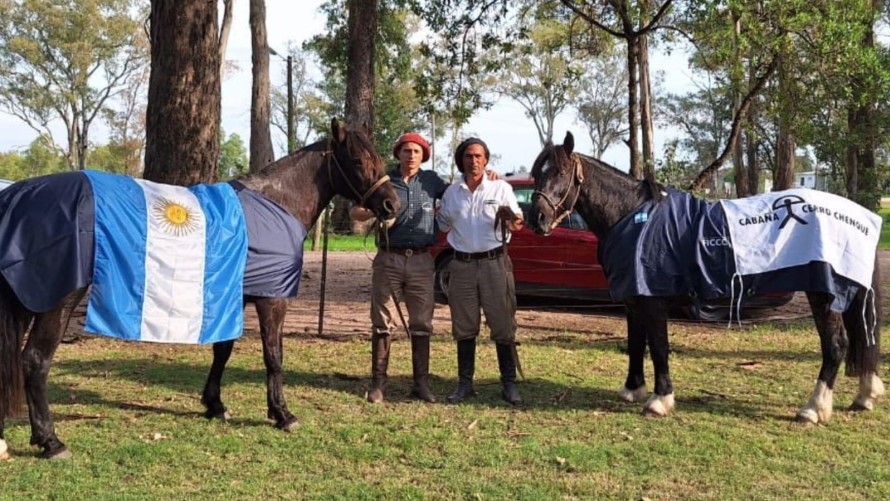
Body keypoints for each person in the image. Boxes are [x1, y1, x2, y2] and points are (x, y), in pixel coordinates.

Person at [349, 132, 448, 404]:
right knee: (382, 322)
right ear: (398, 154)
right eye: (406, 150)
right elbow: (354, 211)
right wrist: (372, 213)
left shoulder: (433, 182)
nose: (411, 155)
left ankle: (421, 384)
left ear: (423, 155)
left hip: (421, 260)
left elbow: (461, 194)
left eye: (416, 151)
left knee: (422, 323)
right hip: (388, 258)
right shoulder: (384, 180)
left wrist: (491, 178)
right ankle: (378, 384)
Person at [436, 138, 524, 405]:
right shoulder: (452, 193)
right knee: (464, 326)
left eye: (478, 156)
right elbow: (442, 226)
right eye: (468, 156)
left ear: (486, 160)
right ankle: (465, 384)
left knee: (502, 324)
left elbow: (518, 224)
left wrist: (512, 219)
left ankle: (509, 384)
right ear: (461, 160)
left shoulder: (501, 188)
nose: (473, 161)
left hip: (494, 264)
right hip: (461, 265)